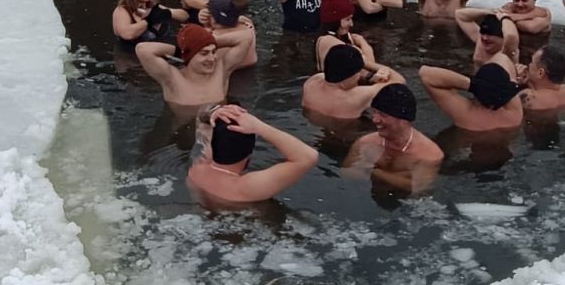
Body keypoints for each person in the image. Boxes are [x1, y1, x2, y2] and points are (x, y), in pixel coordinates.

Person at [187, 104, 318, 205]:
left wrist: (215, 111)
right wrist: (259, 127)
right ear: (249, 154)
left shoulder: (197, 166)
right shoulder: (246, 187)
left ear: (213, 143)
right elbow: (308, 157)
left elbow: (201, 116)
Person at [343, 84, 444, 194]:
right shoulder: (365, 143)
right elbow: (346, 174)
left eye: (383, 114)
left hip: (405, 201)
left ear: (403, 119)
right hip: (367, 194)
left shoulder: (429, 154)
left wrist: (373, 170)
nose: (375, 120)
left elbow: (419, 188)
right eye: (375, 112)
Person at [135, 22, 255, 107]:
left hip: (219, 129)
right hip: (184, 132)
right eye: (204, 53)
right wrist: (183, 50)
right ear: (188, 56)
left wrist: (208, 41)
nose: (212, 58)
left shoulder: (222, 70)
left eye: (213, 52)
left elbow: (246, 37)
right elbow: (143, 50)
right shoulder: (172, 78)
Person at [302, 44, 401, 120]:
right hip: (349, 134)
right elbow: (399, 81)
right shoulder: (356, 97)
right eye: (358, 73)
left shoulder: (312, 82)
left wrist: (370, 77)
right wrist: (366, 63)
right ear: (350, 75)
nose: (359, 76)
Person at [316, 0, 394, 81]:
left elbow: (368, 64)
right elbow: (366, 64)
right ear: (334, 21)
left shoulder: (344, 36)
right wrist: (364, 44)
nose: (351, 24)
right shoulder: (328, 40)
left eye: (351, 18)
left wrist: (363, 44)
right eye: (347, 19)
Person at [419, 62, 524, 131]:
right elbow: (503, 58)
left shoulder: (466, 115)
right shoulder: (515, 114)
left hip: (468, 140)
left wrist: (472, 84)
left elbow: (425, 73)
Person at [453, 8, 520, 76]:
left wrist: (505, 17)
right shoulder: (480, 40)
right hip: (476, 81)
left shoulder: (508, 51)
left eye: (490, 35)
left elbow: (511, 36)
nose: (485, 38)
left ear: (503, 38)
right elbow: (459, 14)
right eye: (483, 33)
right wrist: (489, 12)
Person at [204, 0, 257, 70]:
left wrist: (206, 25)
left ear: (213, 18)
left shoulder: (212, 38)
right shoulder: (248, 26)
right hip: (250, 72)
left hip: (225, 78)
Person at [519, 45, 565, 112]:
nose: (529, 65)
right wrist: (529, 82)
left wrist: (514, 82)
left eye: (532, 62)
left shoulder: (528, 96)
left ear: (540, 73)